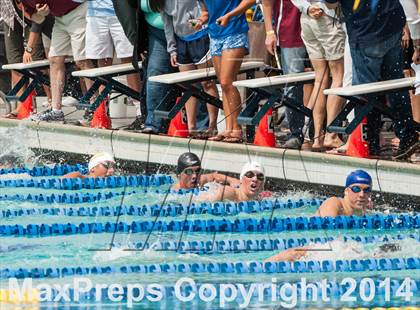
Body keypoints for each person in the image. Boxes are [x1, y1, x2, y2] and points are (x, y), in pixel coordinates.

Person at [325, 0, 419, 160]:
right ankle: (407, 135)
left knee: (366, 92)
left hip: (365, 32)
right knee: (395, 87)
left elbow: (330, 4)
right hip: (392, 26)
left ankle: (370, 142)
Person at [22, 0, 95, 122]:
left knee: (82, 61)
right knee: (55, 60)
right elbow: (37, 19)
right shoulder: (22, 2)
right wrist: (42, 14)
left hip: (78, 10)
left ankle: (95, 107)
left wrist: (29, 48)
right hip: (60, 18)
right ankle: (56, 111)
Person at [157, 0, 219, 139]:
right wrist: (172, 49)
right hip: (181, 41)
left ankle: (212, 126)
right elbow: (167, 24)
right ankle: (191, 127)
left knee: (207, 83)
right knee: (189, 86)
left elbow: (207, 8)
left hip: (201, 36)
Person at [196, 0, 255, 143]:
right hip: (215, 36)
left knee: (227, 81)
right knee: (223, 84)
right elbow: (206, 12)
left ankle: (237, 129)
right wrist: (200, 20)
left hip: (234, 32)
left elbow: (250, 1)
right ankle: (228, 128)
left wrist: (230, 15)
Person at [262, 0, 307, 149]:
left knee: (325, 80)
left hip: (322, 27)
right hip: (291, 30)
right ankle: (296, 132)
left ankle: (322, 133)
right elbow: (267, 3)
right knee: (293, 84)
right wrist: (269, 31)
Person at [172, 152, 240, 190]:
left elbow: (214, 176)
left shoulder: (200, 181)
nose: (195, 176)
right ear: (179, 175)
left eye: (197, 171)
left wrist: (232, 180)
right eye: (189, 172)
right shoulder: (174, 194)